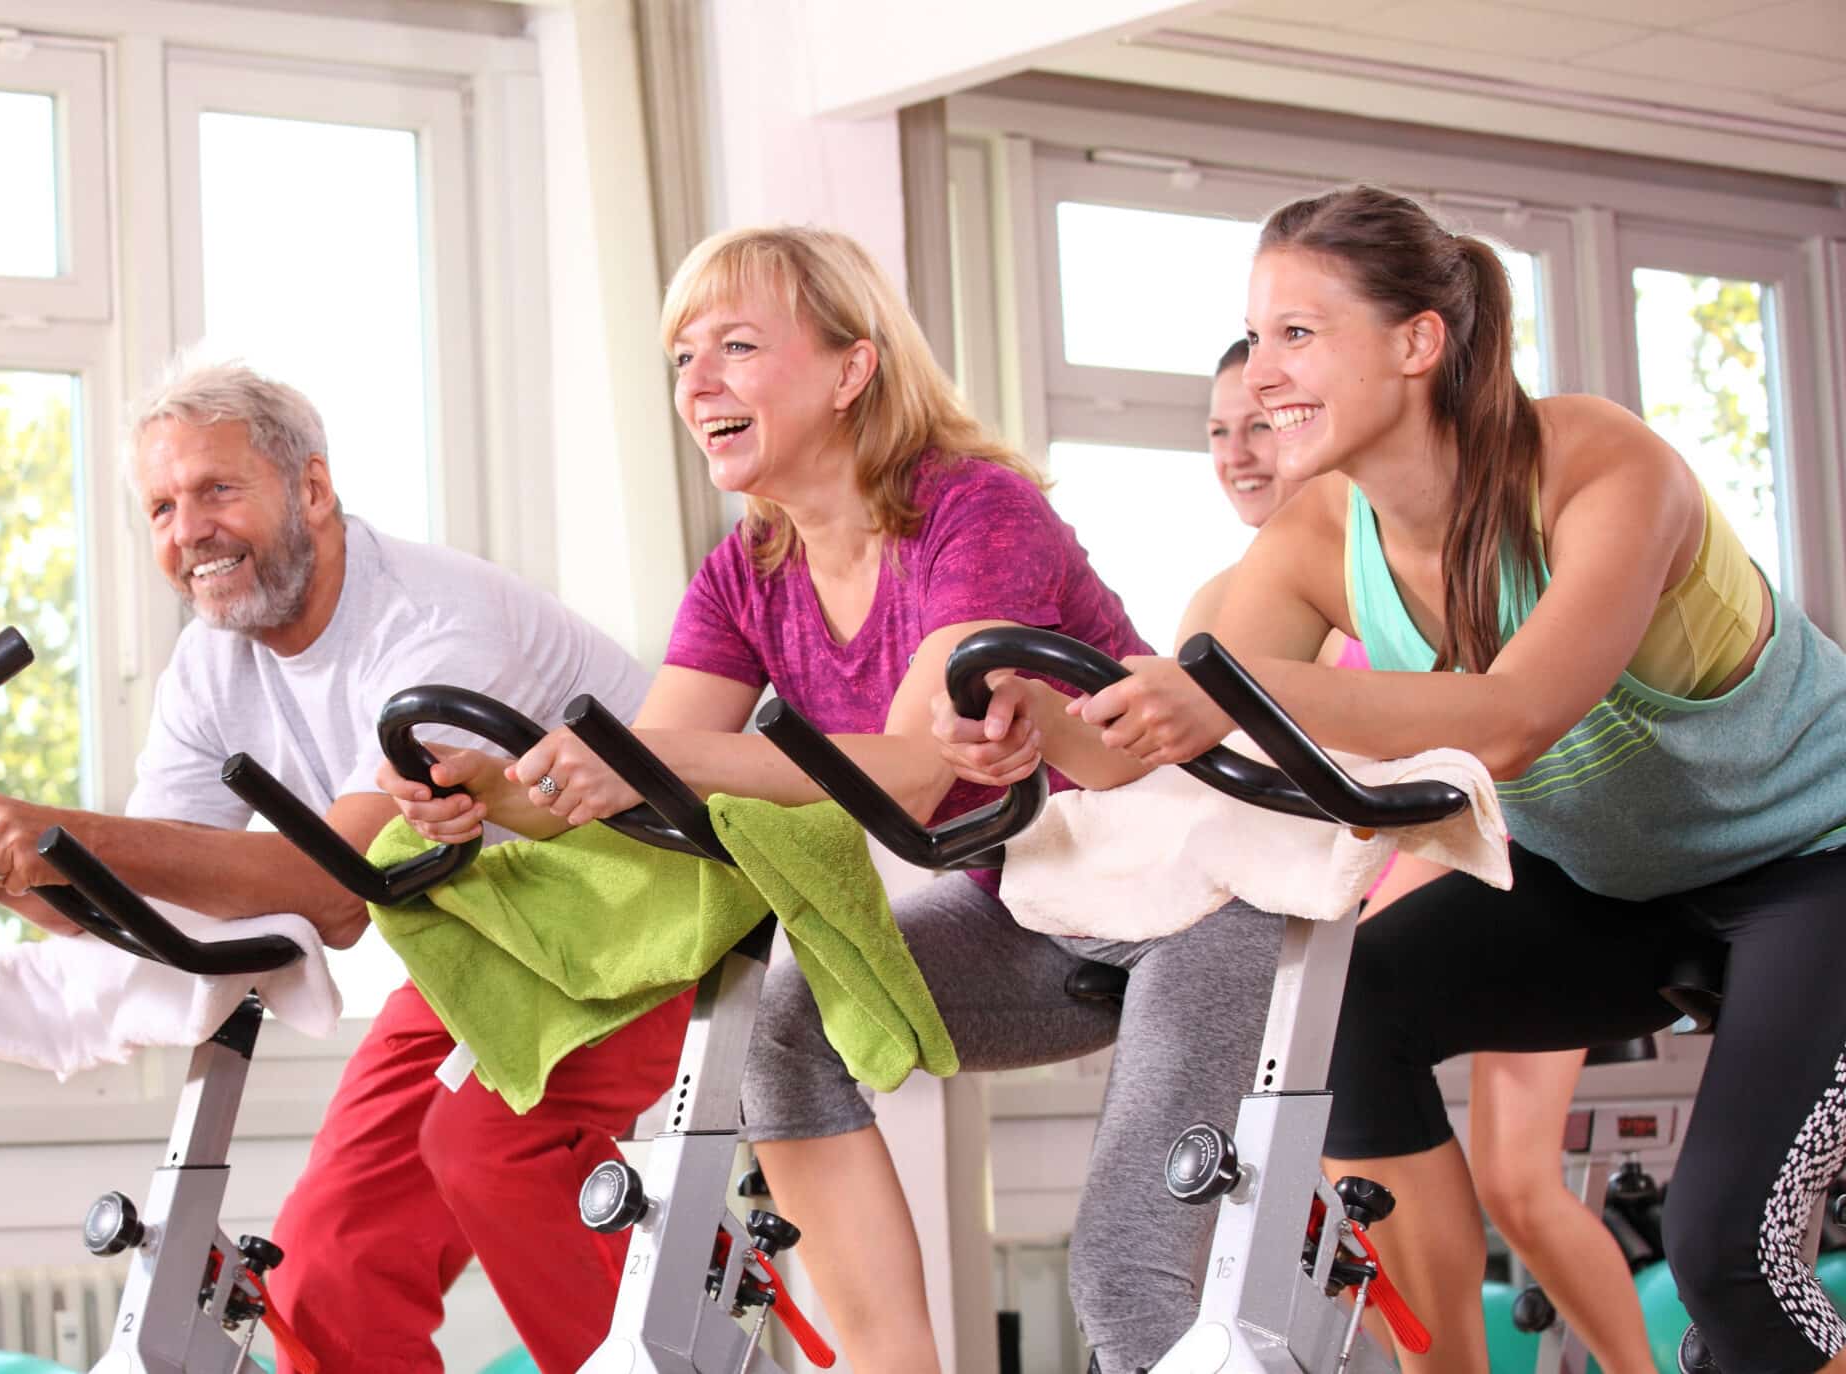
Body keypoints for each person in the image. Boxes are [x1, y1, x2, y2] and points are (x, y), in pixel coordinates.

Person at [382, 224, 1283, 1374]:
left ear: (851, 369)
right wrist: (500, 796)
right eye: (681, 357)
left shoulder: (977, 509)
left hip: (1205, 900)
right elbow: (646, 771)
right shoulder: (746, 569)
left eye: (737, 346)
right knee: (784, 1027)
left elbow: (919, 765)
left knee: (1125, 1275)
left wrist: (652, 762)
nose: (696, 382)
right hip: (1041, 905)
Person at [1078, 183, 1846, 1374]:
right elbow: (1202, 740)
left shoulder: (1602, 469)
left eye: (1298, 333)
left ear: (1416, 343)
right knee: (1357, 1010)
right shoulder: (1312, 534)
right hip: (1612, 884)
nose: (1263, 373)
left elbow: (1511, 718)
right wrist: (1041, 731)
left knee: (1727, 1257)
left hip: (1815, 867)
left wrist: (1218, 688)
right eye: (1256, 334)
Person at [0, 360, 674, 1374]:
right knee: (329, 1273)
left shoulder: (432, 620)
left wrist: (61, 832)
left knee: (490, 1156)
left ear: (313, 492)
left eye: (216, 489)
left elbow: (339, 886)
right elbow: (145, 897)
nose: (186, 529)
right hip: (485, 943)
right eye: (159, 506)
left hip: (641, 912)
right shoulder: (211, 664)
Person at [1185, 334, 1655, 1373]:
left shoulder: (1398, 552)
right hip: (1352, 915)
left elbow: (1495, 750)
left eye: (1259, 423)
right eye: (1219, 431)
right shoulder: (1235, 599)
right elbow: (1194, 770)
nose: (1240, 451)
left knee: (1518, 1186)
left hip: (1501, 871)